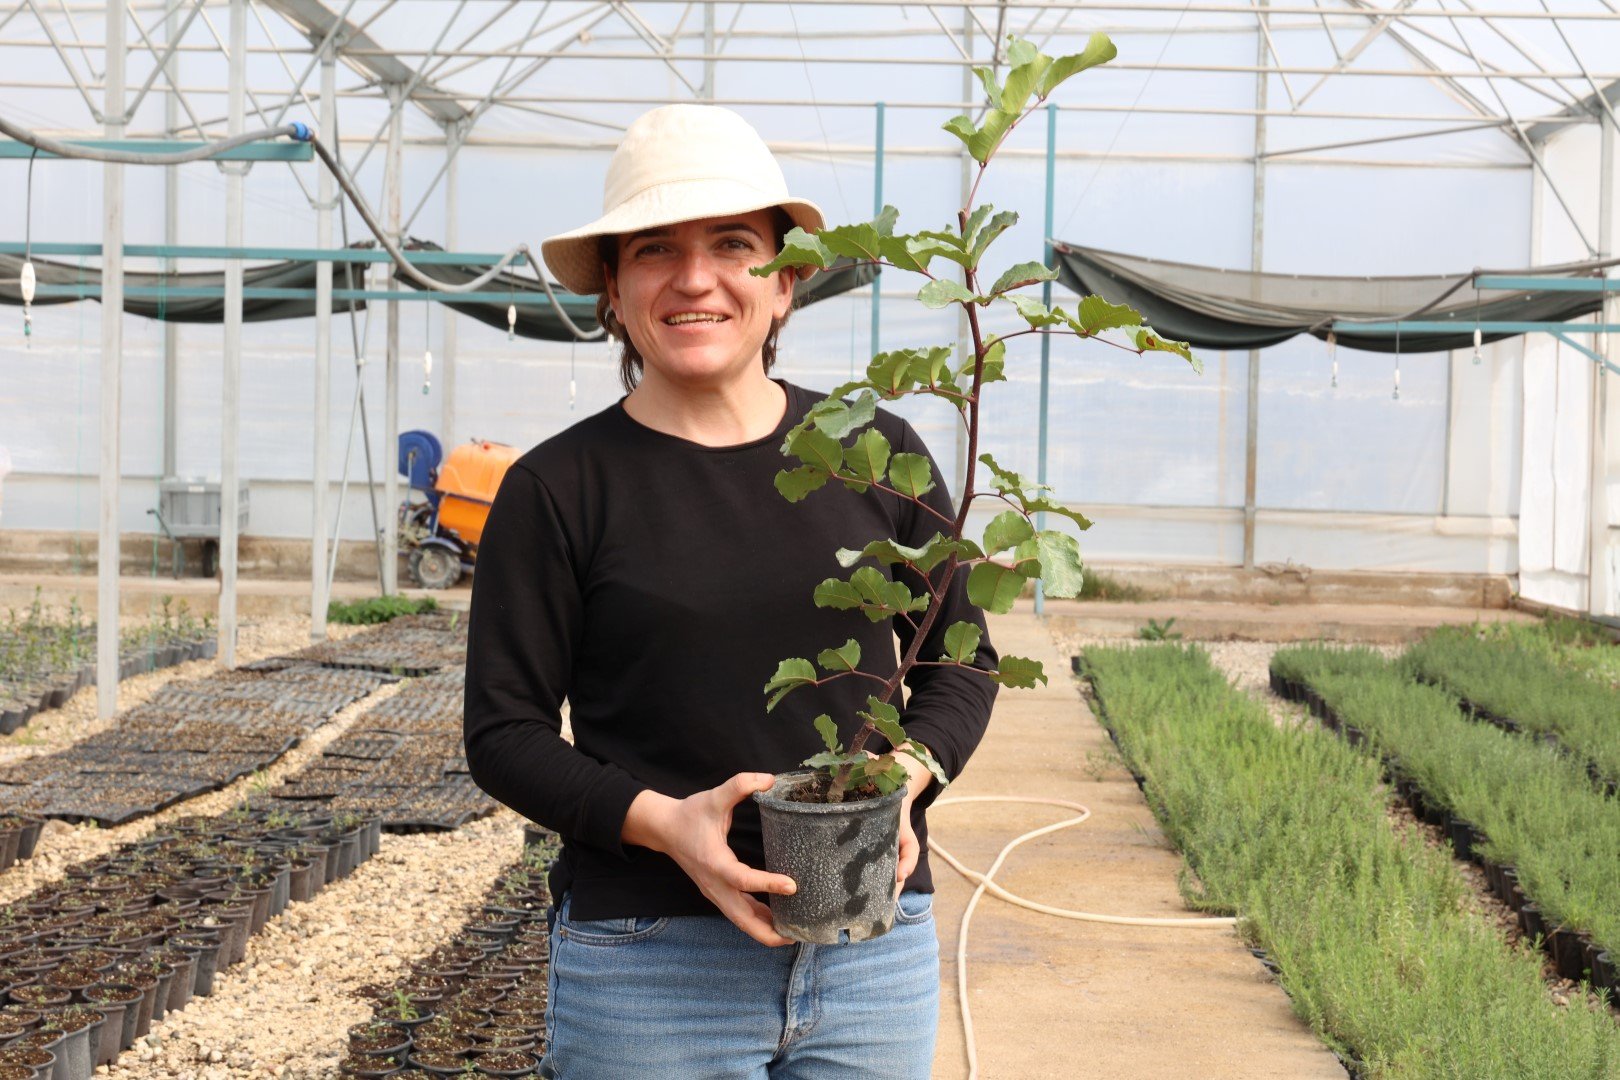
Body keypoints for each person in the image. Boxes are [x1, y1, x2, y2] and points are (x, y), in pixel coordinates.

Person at [463, 103, 999, 1080]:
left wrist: (911, 773)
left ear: (786, 284)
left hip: (870, 951)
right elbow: (504, 734)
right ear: (615, 294)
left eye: (733, 244)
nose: (696, 277)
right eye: (656, 249)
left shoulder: (874, 457)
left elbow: (963, 662)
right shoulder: (559, 489)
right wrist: (667, 823)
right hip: (649, 965)